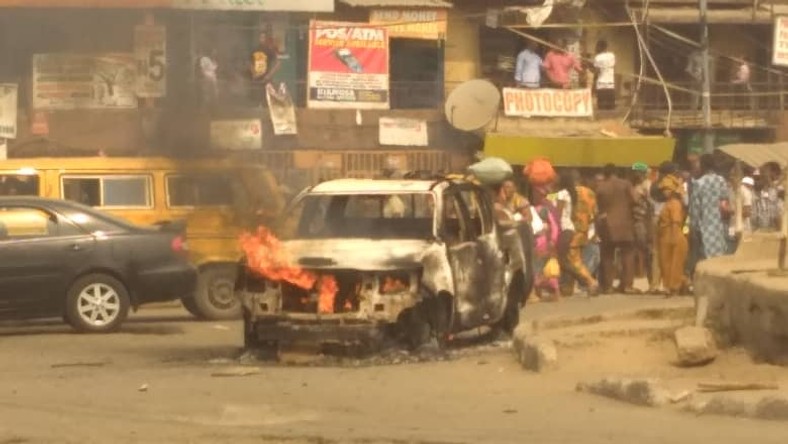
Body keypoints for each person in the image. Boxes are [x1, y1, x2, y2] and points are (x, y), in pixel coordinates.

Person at [595, 164, 639, 294]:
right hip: (625, 223)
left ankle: (608, 286)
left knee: (607, 255)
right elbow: (635, 199)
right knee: (628, 254)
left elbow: (597, 206)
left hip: (606, 224)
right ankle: (627, 285)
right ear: (616, 172)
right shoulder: (625, 184)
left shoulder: (601, 186)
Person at [555, 170, 599, 296]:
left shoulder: (563, 193)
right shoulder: (589, 192)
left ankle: (591, 282)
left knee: (572, 261)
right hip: (584, 231)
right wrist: (593, 231)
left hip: (569, 231)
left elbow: (558, 214)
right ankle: (567, 288)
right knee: (573, 258)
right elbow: (595, 213)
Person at [688, 154, 731, 264]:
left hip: (705, 227)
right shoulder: (721, 180)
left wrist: (692, 227)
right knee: (720, 257)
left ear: (703, 166)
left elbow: (695, 209)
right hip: (720, 226)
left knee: (706, 259)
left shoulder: (698, 183)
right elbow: (726, 202)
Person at [656, 165, 690, 297]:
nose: (664, 191)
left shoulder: (674, 204)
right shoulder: (669, 203)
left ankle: (674, 288)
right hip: (666, 236)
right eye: (664, 189)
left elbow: (676, 223)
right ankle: (678, 285)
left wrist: (674, 239)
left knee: (674, 265)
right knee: (666, 264)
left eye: (667, 189)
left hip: (673, 236)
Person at [531, 184, 561, 302]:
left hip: (544, 241)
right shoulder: (532, 208)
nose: (536, 196)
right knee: (537, 268)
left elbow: (554, 225)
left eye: (539, 194)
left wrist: (553, 240)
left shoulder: (546, 208)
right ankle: (538, 293)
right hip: (535, 241)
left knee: (545, 267)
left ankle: (554, 291)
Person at [631, 162, 654, 290]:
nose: (636, 174)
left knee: (648, 251)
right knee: (641, 252)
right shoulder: (636, 185)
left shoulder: (647, 185)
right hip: (636, 221)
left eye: (638, 172)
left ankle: (652, 281)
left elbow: (651, 204)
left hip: (644, 221)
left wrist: (642, 197)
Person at [250, 30, 281, 107]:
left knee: (266, 100)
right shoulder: (255, 50)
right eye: (260, 37)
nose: (262, 39)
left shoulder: (269, 51)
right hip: (257, 79)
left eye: (263, 37)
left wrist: (269, 75)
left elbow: (278, 63)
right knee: (255, 99)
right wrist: (254, 73)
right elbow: (250, 62)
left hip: (266, 79)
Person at [593, 40, 616, 110]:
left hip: (601, 85)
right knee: (611, 107)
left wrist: (592, 69)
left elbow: (597, 72)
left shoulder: (597, 57)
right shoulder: (612, 56)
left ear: (599, 47)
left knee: (601, 108)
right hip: (610, 84)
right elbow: (613, 67)